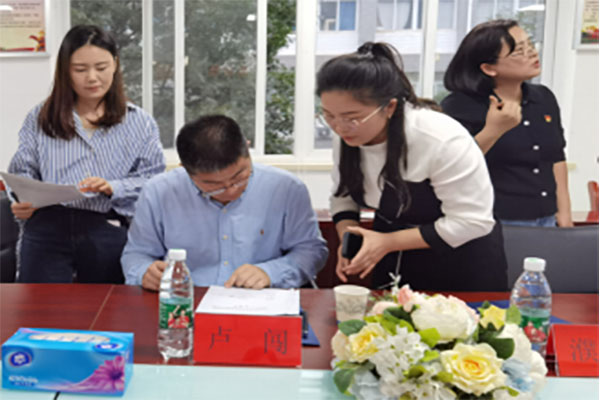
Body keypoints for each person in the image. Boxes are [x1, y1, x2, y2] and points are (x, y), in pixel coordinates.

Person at [316, 41, 508, 291]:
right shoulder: (348, 136)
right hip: (391, 254)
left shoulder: (440, 139)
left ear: (390, 107)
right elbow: (343, 196)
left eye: (352, 118)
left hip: (460, 261)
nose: (339, 127)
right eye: (329, 115)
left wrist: (387, 242)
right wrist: (349, 239)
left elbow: (473, 221)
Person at [8, 25, 165, 283]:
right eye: (80, 69)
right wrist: (22, 200)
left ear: (115, 65)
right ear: (65, 71)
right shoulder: (41, 116)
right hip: (48, 226)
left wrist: (114, 187)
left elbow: (154, 181)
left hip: (105, 225)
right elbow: (23, 170)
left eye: (101, 67)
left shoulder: (139, 122)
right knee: (40, 303)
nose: (92, 78)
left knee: (109, 303)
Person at [121, 115, 328, 290]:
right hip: (186, 301)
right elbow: (136, 254)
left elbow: (311, 251)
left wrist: (270, 272)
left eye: (240, 177)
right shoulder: (159, 192)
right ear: (185, 169)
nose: (231, 190)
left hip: (263, 299)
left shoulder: (286, 188)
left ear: (247, 148)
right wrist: (144, 272)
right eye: (213, 185)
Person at [441, 20, 573, 228]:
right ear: (489, 68)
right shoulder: (460, 105)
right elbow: (453, 165)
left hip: (548, 218)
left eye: (531, 45)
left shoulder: (544, 98)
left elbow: (556, 158)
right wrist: (493, 131)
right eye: (519, 51)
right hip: (496, 221)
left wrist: (564, 215)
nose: (532, 53)